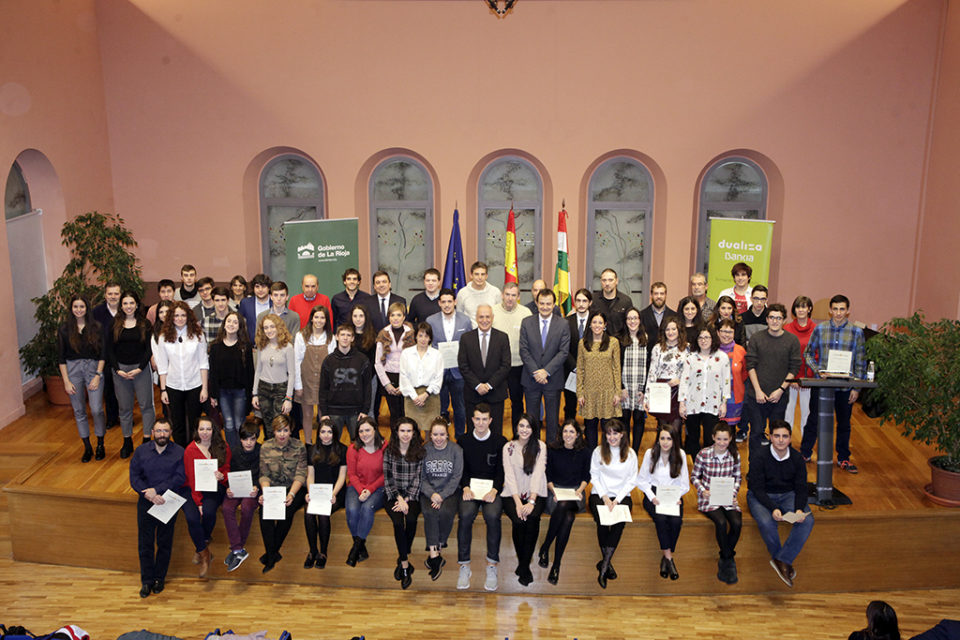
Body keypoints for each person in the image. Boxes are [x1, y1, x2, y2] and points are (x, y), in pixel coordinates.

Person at [801, 294, 867, 473]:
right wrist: (818, 371)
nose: (838, 313)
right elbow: (808, 354)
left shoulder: (856, 332)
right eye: (835, 309)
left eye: (842, 309)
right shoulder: (820, 329)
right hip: (822, 386)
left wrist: (857, 388)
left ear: (848, 311)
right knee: (813, 420)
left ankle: (843, 458)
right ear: (830, 310)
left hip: (845, 387)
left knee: (844, 423)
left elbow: (861, 361)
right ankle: (804, 453)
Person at [747, 419, 814, 588]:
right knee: (766, 522)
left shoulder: (797, 458)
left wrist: (799, 509)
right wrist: (773, 508)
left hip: (788, 495)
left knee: (807, 520)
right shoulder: (759, 456)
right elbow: (757, 488)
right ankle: (782, 563)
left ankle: (782, 560)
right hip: (760, 496)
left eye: (785, 436)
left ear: (790, 438)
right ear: (770, 437)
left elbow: (801, 487)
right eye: (777, 436)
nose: (781, 440)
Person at [129, 419, 185, 598]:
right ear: (152, 432)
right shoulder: (141, 451)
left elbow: (179, 477)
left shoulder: (179, 452)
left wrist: (158, 491)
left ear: (171, 432)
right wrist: (148, 494)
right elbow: (134, 476)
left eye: (166, 431)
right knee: (145, 544)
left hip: (168, 501)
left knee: (164, 542)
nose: (162, 434)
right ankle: (146, 581)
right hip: (146, 501)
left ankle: (159, 578)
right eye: (159, 431)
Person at [456, 404, 506, 592]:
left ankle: (492, 566)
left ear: (490, 420)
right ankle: (464, 565)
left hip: (491, 490)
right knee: (465, 515)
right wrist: (465, 486)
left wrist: (495, 489)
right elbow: (461, 469)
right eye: (477, 419)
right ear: (472, 420)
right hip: (470, 489)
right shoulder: (463, 440)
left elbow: (501, 471)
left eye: (485, 419)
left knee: (492, 516)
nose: (481, 423)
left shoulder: (500, 441)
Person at [538, 419, 590, 585]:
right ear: (561, 434)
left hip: (576, 493)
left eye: (571, 432)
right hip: (555, 492)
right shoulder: (553, 450)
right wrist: (554, 491)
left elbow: (586, 476)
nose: (568, 435)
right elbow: (548, 475)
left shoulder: (585, 452)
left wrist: (580, 491)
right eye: (565, 431)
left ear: (578, 435)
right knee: (568, 517)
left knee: (565, 505)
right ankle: (556, 565)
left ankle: (546, 546)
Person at [744, 303, 801, 453]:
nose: (775, 321)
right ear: (767, 319)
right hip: (757, 395)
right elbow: (750, 365)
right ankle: (755, 466)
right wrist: (758, 390)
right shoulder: (756, 338)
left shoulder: (792, 340)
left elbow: (794, 367)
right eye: (771, 317)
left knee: (777, 435)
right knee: (756, 432)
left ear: (784, 320)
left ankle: (775, 464)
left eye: (778, 318)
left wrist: (781, 390)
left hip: (779, 396)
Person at [691, 422, 742, 584]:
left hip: (727, 498)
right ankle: (728, 560)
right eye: (719, 439)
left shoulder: (735, 455)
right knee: (720, 522)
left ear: (730, 439)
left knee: (737, 523)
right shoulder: (703, 454)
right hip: (709, 498)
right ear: (713, 437)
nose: (722, 442)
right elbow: (694, 477)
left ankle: (725, 557)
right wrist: (702, 490)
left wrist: (733, 493)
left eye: (725, 439)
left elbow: (737, 477)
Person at [637, 423, 689, 581]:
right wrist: (652, 497)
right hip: (654, 493)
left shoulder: (680, 454)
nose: (665, 442)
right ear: (658, 439)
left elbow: (685, 485)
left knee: (676, 522)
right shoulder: (650, 453)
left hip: (673, 494)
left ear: (674, 440)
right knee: (660, 519)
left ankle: (666, 558)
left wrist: (677, 497)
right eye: (662, 438)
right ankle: (669, 559)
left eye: (669, 439)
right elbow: (641, 480)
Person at [589, 419, 637, 589]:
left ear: (622, 434)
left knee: (618, 523)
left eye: (615, 433)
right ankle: (606, 564)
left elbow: (632, 480)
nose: (612, 437)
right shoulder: (598, 451)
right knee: (602, 521)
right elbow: (594, 476)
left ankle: (604, 565)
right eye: (608, 433)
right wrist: (605, 498)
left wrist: (617, 500)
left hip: (621, 496)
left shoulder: (630, 454)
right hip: (600, 494)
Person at [519, 288, 571, 443]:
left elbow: (563, 352)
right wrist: (536, 372)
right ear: (536, 303)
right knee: (532, 420)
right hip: (531, 379)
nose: (545, 307)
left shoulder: (563, 324)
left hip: (552, 379)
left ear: (554, 304)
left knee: (552, 420)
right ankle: (533, 449)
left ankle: (551, 449)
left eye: (548, 304)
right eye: (542, 303)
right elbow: (523, 350)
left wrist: (546, 371)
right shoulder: (527, 322)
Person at [107, 291, 154, 458]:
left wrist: (140, 368)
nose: (128, 306)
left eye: (131, 303)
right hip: (120, 371)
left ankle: (147, 440)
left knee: (146, 406)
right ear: (121, 306)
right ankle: (127, 441)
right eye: (125, 303)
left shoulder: (145, 324)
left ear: (137, 304)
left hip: (141, 370)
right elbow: (109, 350)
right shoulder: (114, 324)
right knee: (125, 408)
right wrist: (117, 369)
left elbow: (149, 348)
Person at [501, 413, 547, 587]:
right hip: (512, 494)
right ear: (516, 427)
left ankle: (523, 565)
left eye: (528, 426)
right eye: (521, 426)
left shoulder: (540, 446)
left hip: (535, 493)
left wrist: (531, 501)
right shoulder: (508, 447)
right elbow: (509, 476)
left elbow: (538, 474)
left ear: (533, 429)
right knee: (519, 521)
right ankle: (525, 565)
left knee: (533, 519)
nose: (524, 430)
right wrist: (519, 503)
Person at [258, 414, 307, 573]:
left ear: (291, 430)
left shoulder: (299, 446)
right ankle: (272, 553)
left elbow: (301, 474)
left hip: (295, 488)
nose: (282, 434)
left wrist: (291, 494)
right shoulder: (265, 447)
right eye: (279, 431)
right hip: (273, 488)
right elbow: (264, 474)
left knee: (287, 510)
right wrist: (266, 493)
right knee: (264, 511)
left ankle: (270, 555)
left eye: (285, 430)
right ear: (273, 431)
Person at [154, 301, 209, 447]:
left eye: (183, 315)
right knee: (177, 423)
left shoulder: (198, 335)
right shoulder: (163, 337)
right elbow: (162, 366)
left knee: (194, 423)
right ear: (171, 317)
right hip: (173, 385)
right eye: (176, 315)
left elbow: (203, 363)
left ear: (188, 316)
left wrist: (204, 388)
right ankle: (180, 452)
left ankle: (193, 451)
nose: (180, 318)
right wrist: (163, 390)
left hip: (195, 385)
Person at [181, 417, 229, 578]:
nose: (205, 432)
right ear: (197, 430)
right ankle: (205, 553)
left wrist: (222, 476)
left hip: (215, 487)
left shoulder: (222, 446)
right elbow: (192, 478)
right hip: (194, 489)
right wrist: (198, 502)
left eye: (208, 429)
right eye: (202, 429)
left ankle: (202, 544)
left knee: (209, 512)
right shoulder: (190, 450)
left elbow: (228, 469)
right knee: (192, 517)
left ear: (214, 430)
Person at [382, 416, 425, 589]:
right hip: (393, 495)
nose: (406, 434)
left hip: (412, 495)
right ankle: (405, 564)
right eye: (402, 431)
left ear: (414, 433)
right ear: (396, 432)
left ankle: (402, 557)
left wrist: (407, 498)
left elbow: (419, 479)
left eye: (409, 431)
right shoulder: (389, 451)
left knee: (412, 519)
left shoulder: (420, 452)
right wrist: (399, 498)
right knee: (398, 522)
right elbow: (387, 478)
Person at [420, 416, 464, 580]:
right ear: (430, 435)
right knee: (429, 513)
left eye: (442, 434)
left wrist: (442, 495)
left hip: (450, 492)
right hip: (428, 492)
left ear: (447, 435)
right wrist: (432, 494)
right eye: (435, 435)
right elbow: (421, 477)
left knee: (446, 512)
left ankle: (437, 547)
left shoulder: (456, 450)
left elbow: (456, 477)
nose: (438, 438)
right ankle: (434, 556)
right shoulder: (424, 450)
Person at [458, 304, 511, 437]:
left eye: (487, 317)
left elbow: (505, 365)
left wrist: (489, 385)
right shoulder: (466, 338)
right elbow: (463, 365)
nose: (484, 320)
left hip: (495, 393)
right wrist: (477, 385)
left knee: (496, 432)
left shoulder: (502, 337)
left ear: (492, 318)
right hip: (473, 393)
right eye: (481, 317)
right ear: (476, 318)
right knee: (473, 432)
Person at [679, 326, 731, 456]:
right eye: (700, 338)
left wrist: (724, 403)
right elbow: (684, 381)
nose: (703, 340)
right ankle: (696, 465)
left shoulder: (722, 357)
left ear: (713, 339)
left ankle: (708, 465)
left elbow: (726, 382)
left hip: (713, 404)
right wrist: (682, 403)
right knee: (692, 438)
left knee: (710, 438)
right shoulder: (690, 358)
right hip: (692, 403)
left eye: (707, 337)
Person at [303, 417, 347, 570]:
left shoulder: (342, 449)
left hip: (335, 493)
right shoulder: (311, 450)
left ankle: (323, 552)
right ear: (318, 433)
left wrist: (333, 494)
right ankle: (312, 551)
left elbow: (342, 476)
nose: (326, 435)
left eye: (329, 432)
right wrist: (310, 492)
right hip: (317, 492)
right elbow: (310, 475)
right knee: (308, 513)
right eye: (323, 432)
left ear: (334, 433)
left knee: (323, 514)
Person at [426, 289, 472, 437]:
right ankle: (440, 438)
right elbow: (427, 345)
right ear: (439, 303)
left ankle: (460, 437)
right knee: (439, 408)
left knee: (460, 408)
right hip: (438, 372)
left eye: (449, 301)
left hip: (458, 372)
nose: (447, 305)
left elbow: (469, 345)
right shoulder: (430, 321)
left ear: (455, 302)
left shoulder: (465, 320)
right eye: (443, 302)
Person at [208, 311, 254, 451]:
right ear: (224, 324)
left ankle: (241, 451)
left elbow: (250, 373)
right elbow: (213, 373)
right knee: (228, 424)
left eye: (235, 322)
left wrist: (251, 394)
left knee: (239, 423)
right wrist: (213, 395)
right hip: (223, 392)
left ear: (240, 326)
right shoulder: (215, 347)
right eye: (229, 321)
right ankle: (232, 453)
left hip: (240, 392)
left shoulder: (245, 346)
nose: (231, 324)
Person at [318, 324, 372, 442]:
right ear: (336, 337)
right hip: (333, 410)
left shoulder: (362, 360)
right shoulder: (328, 361)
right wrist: (324, 412)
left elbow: (367, 387)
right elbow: (323, 388)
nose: (345, 338)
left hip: (356, 411)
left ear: (353, 338)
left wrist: (365, 410)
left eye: (348, 335)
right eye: (342, 335)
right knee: (332, 444)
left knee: (358, 443)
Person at [577, 311, 622, 448]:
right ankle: (592, 456)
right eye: (594, 322)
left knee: (608, 429)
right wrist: (580, 393)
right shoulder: (583, 343)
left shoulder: (613, 342)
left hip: (608, 392)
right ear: (590, 325)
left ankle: (606, 456)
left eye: (600, 322)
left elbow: (616, 368)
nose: (597, 325)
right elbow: (580, 369)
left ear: (605, 325)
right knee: (590, 428)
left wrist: (617, 392)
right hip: (589, 392)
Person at [344, 416, 386, 566]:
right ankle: (360, 547)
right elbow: (352, 474)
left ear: (375, 430)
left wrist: (369, 490)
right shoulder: (353, 448)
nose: (364, 434)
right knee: (352, 510)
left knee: (367, 508)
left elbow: (386, 474)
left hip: (378, 487)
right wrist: (362, 490)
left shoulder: (385, 447)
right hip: (356, 486)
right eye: (361, 431)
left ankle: (356, 549)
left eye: (367, 430)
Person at [222, 418, 260, 572]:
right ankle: (238, 549)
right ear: (240, 439)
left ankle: (237, 549)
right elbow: (231, 472)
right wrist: (228, 488)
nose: (249, 443)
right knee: (226, 507)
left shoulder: (261, 451)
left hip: (254, 489)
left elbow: (264, 473)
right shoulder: (235, 451)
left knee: (246, 507)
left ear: (257, 439)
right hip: (237, 487)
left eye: (252, 439)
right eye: (245, 439)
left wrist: (257, 487)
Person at [492, 281, 532, 428]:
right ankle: (495, 433)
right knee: (496, 401)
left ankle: (517, 432)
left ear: (518, 297)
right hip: (497, 366)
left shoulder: (526, 313)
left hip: (518, 365)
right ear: (502, 295)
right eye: (507, 294)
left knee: (517, 401)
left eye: (513, 295)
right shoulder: (493, 312)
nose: (510, 298)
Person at [252, 313, 295, 439]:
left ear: (279, 327)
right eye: (266, 328)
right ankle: (269, 448)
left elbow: (292, 374)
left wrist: (288, 398)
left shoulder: (288, 347)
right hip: (263, 389)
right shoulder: (261, 345)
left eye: (272, 326)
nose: (269, 330)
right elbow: (258, 370)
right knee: (267, 424)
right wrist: (255, 394)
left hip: (280, 390)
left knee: (279, 424)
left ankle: (280, 448)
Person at [294, 305, 331, 447]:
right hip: (306, 380)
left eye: (322, 317)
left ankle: (323, 443)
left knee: (323, 415)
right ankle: (308, 444)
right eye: (316, 317)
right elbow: (297, 361)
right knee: (308, 414)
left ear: (326, 320)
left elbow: (332, 363)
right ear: (311, 318)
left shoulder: (330, 337)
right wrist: (298, 385)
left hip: (324, 381)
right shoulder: (301, 336)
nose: (319, 320)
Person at [644, 316, 688, 431]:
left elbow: (690, 372)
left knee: (676, 428)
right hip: (661, 390)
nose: (670, 332)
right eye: (667, 329)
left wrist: (680, 380)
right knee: (662, 428)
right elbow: (652, 373)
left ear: (679, 330)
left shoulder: (687, 348)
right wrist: (647, 397)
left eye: (673, 329)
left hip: (679, 391)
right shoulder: (657, 348)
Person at [398, 322, 443, 432]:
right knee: (412, 430)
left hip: (430, 396)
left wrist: (426, 394)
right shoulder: (406, 354)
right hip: (411, 397)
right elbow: (404, 377)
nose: (423, 339)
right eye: (420, 335)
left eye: (426, 336)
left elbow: (438, 378)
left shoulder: (437, 355)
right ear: (416, 337)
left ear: (430, 338)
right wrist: (415, 397)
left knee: (431, 430)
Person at [374, 302, 414, 424]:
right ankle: (394, 436)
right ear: (389, 317)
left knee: (407, 413)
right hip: (389, 376)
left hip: (407, 377)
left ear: (404, 317)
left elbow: (415, 361)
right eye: (392, 315)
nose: (395, 318)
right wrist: (387, 384)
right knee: (394, 413)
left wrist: (406, 384)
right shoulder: (383, 334)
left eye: (398, 315)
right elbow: (378, 362)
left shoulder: (411, 334)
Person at [783, 295, 816, 431]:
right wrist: (792, 378)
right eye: (798, 307)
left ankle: (805, 440)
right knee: (787, 411)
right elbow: (784, 355)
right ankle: (786, 438)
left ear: (809, 309)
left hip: (808, 378)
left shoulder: (816, 329)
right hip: (790, 376)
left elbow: (816, 355)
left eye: (804, 307)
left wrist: (806, 378)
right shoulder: (786, 328)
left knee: (806, 412)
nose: (800, 310)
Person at [92, 282, 121, 429]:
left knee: (124, 390)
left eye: (116, 293)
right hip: (105, 357)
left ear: (120, 295)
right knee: (109, 389)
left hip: (123, 356)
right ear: (105, 295)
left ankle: (125, 417)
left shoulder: (127, 309)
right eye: (110, 294)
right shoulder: (97, 312)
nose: (113, 296)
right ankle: (111, 418)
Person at [619, 307, 648, 452]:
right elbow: (616, 365)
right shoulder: (619, 339)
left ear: (640, 320)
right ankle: (626, 451)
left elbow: (650, 365)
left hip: (640, 386)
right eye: (629, 318)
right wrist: (621, 387)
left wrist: (645, 390)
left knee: (638, 418)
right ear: (625, 321)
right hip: (625, 386)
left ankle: (635, 452)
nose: (632, 321)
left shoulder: (646, 339)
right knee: (624, 419)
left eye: (635, 318)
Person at [717, 318, 749, 443]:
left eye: (730, 332)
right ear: (718, 332)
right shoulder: (712, 350)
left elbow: (745, 373)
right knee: (715, 429)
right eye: (723, 331)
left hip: (734, 395)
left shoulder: (740, 351)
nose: (726, 335)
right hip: (715, 396)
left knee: (730, 432)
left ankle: (731, 452)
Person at [563, 289, 593, 421]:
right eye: (578, 301)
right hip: (571, 371)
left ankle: (588, 432)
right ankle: (569, 429)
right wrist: (575, 367)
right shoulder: (566, 321)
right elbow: (563, 347)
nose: (581, 304)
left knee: (588, 405)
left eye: (584, 301)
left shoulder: (596, 321)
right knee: (570, 405)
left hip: (590, 371)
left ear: (590, 303)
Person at [350, 303, 378, 416]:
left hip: (369, 378)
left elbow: (375, 361)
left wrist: (366, 378)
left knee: (368, 410)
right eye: (355, 316)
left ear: (366, 317)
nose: (358, 319)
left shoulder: (373, 335)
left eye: (361, 316)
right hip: (350, 379)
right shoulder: (347, 334)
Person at [456, 261, 502, 327]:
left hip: (491, 331)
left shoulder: (496, 292)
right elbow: (459, 316)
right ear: (471, 275)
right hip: (469, 332)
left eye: (482, 274)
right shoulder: (462, 293)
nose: (480, 277)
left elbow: (499, 315)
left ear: (486, 276)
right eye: (476, 274)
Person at [591, 268, 633, 337]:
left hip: (620, 341)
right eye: (604, 280)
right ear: (601, 282)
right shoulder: (593, 300)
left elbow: (630, 323)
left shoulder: (626, 301)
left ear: (617, 281)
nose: (607, 283)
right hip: (598, 341)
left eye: (610, 280)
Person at [640, 282, 675, 356]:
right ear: (651, 295)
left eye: (662, 294)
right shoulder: (642, 315)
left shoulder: (674, 316)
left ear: (666, 295)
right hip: (648, 357)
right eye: (656, 294)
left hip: (669, 357)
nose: (659, 296)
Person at [366, 270, 407, 334]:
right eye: (378, 282)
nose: (381, 285)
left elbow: (405, 324)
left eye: (384, 282)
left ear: (389, 284)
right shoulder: (367, 302)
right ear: (374, 287)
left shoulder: (400, 301)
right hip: (373, 339)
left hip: (395, 338)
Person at [238, 273, 272, 341]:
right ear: (253, 288)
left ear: (269, 288)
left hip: (272, 343)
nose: (260, 290)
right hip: (252, 344)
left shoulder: (275, 303)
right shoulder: (245, 303)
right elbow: (240, 323)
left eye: (263, 286)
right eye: (257, 286)